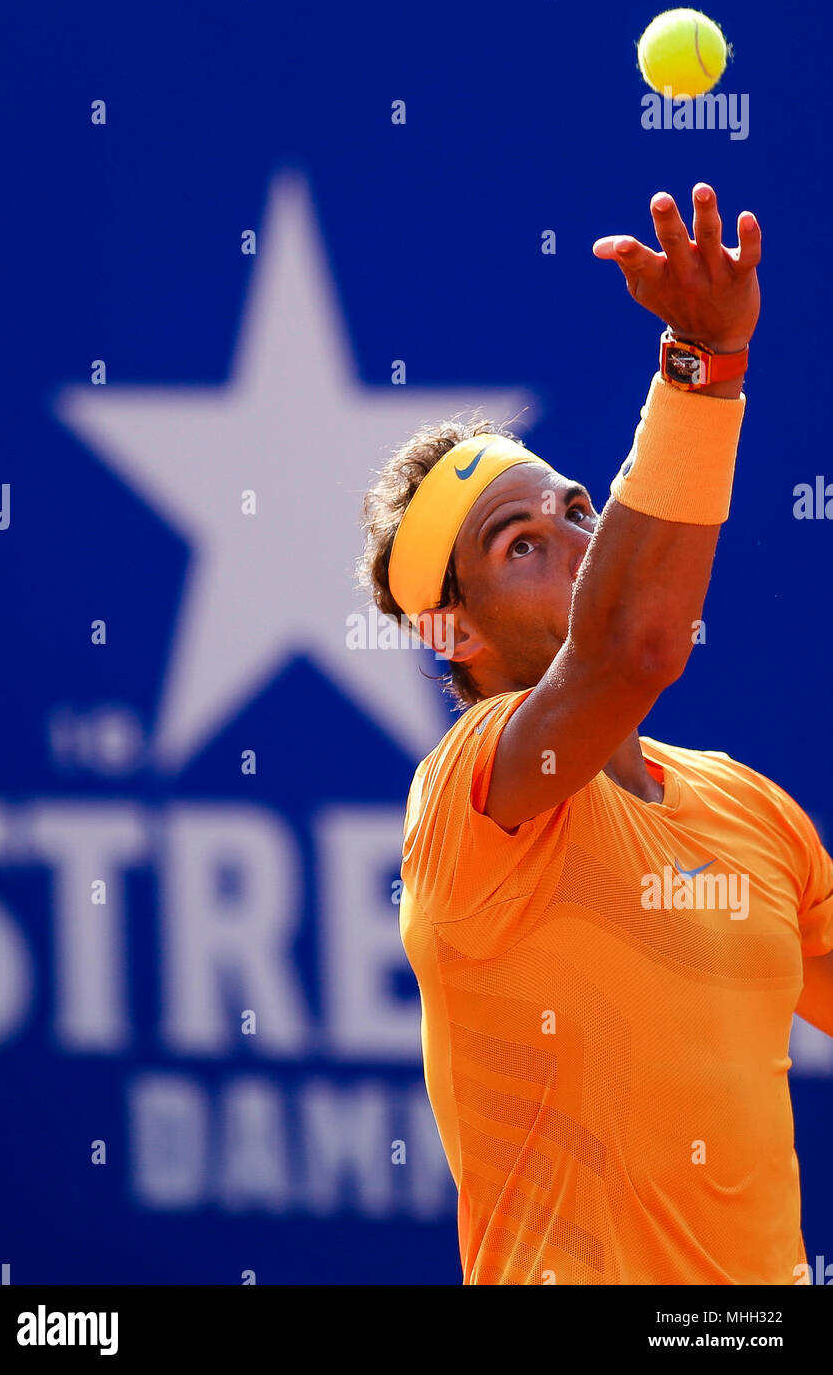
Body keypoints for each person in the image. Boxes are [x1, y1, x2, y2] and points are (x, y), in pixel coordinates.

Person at [357, 184, 833, 1285]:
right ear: (452, 630)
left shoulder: (750, 813)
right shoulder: (473, 794)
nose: (576, 543)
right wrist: (702, 362)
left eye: (578, 512)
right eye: (519, 543)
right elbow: (629, 648)